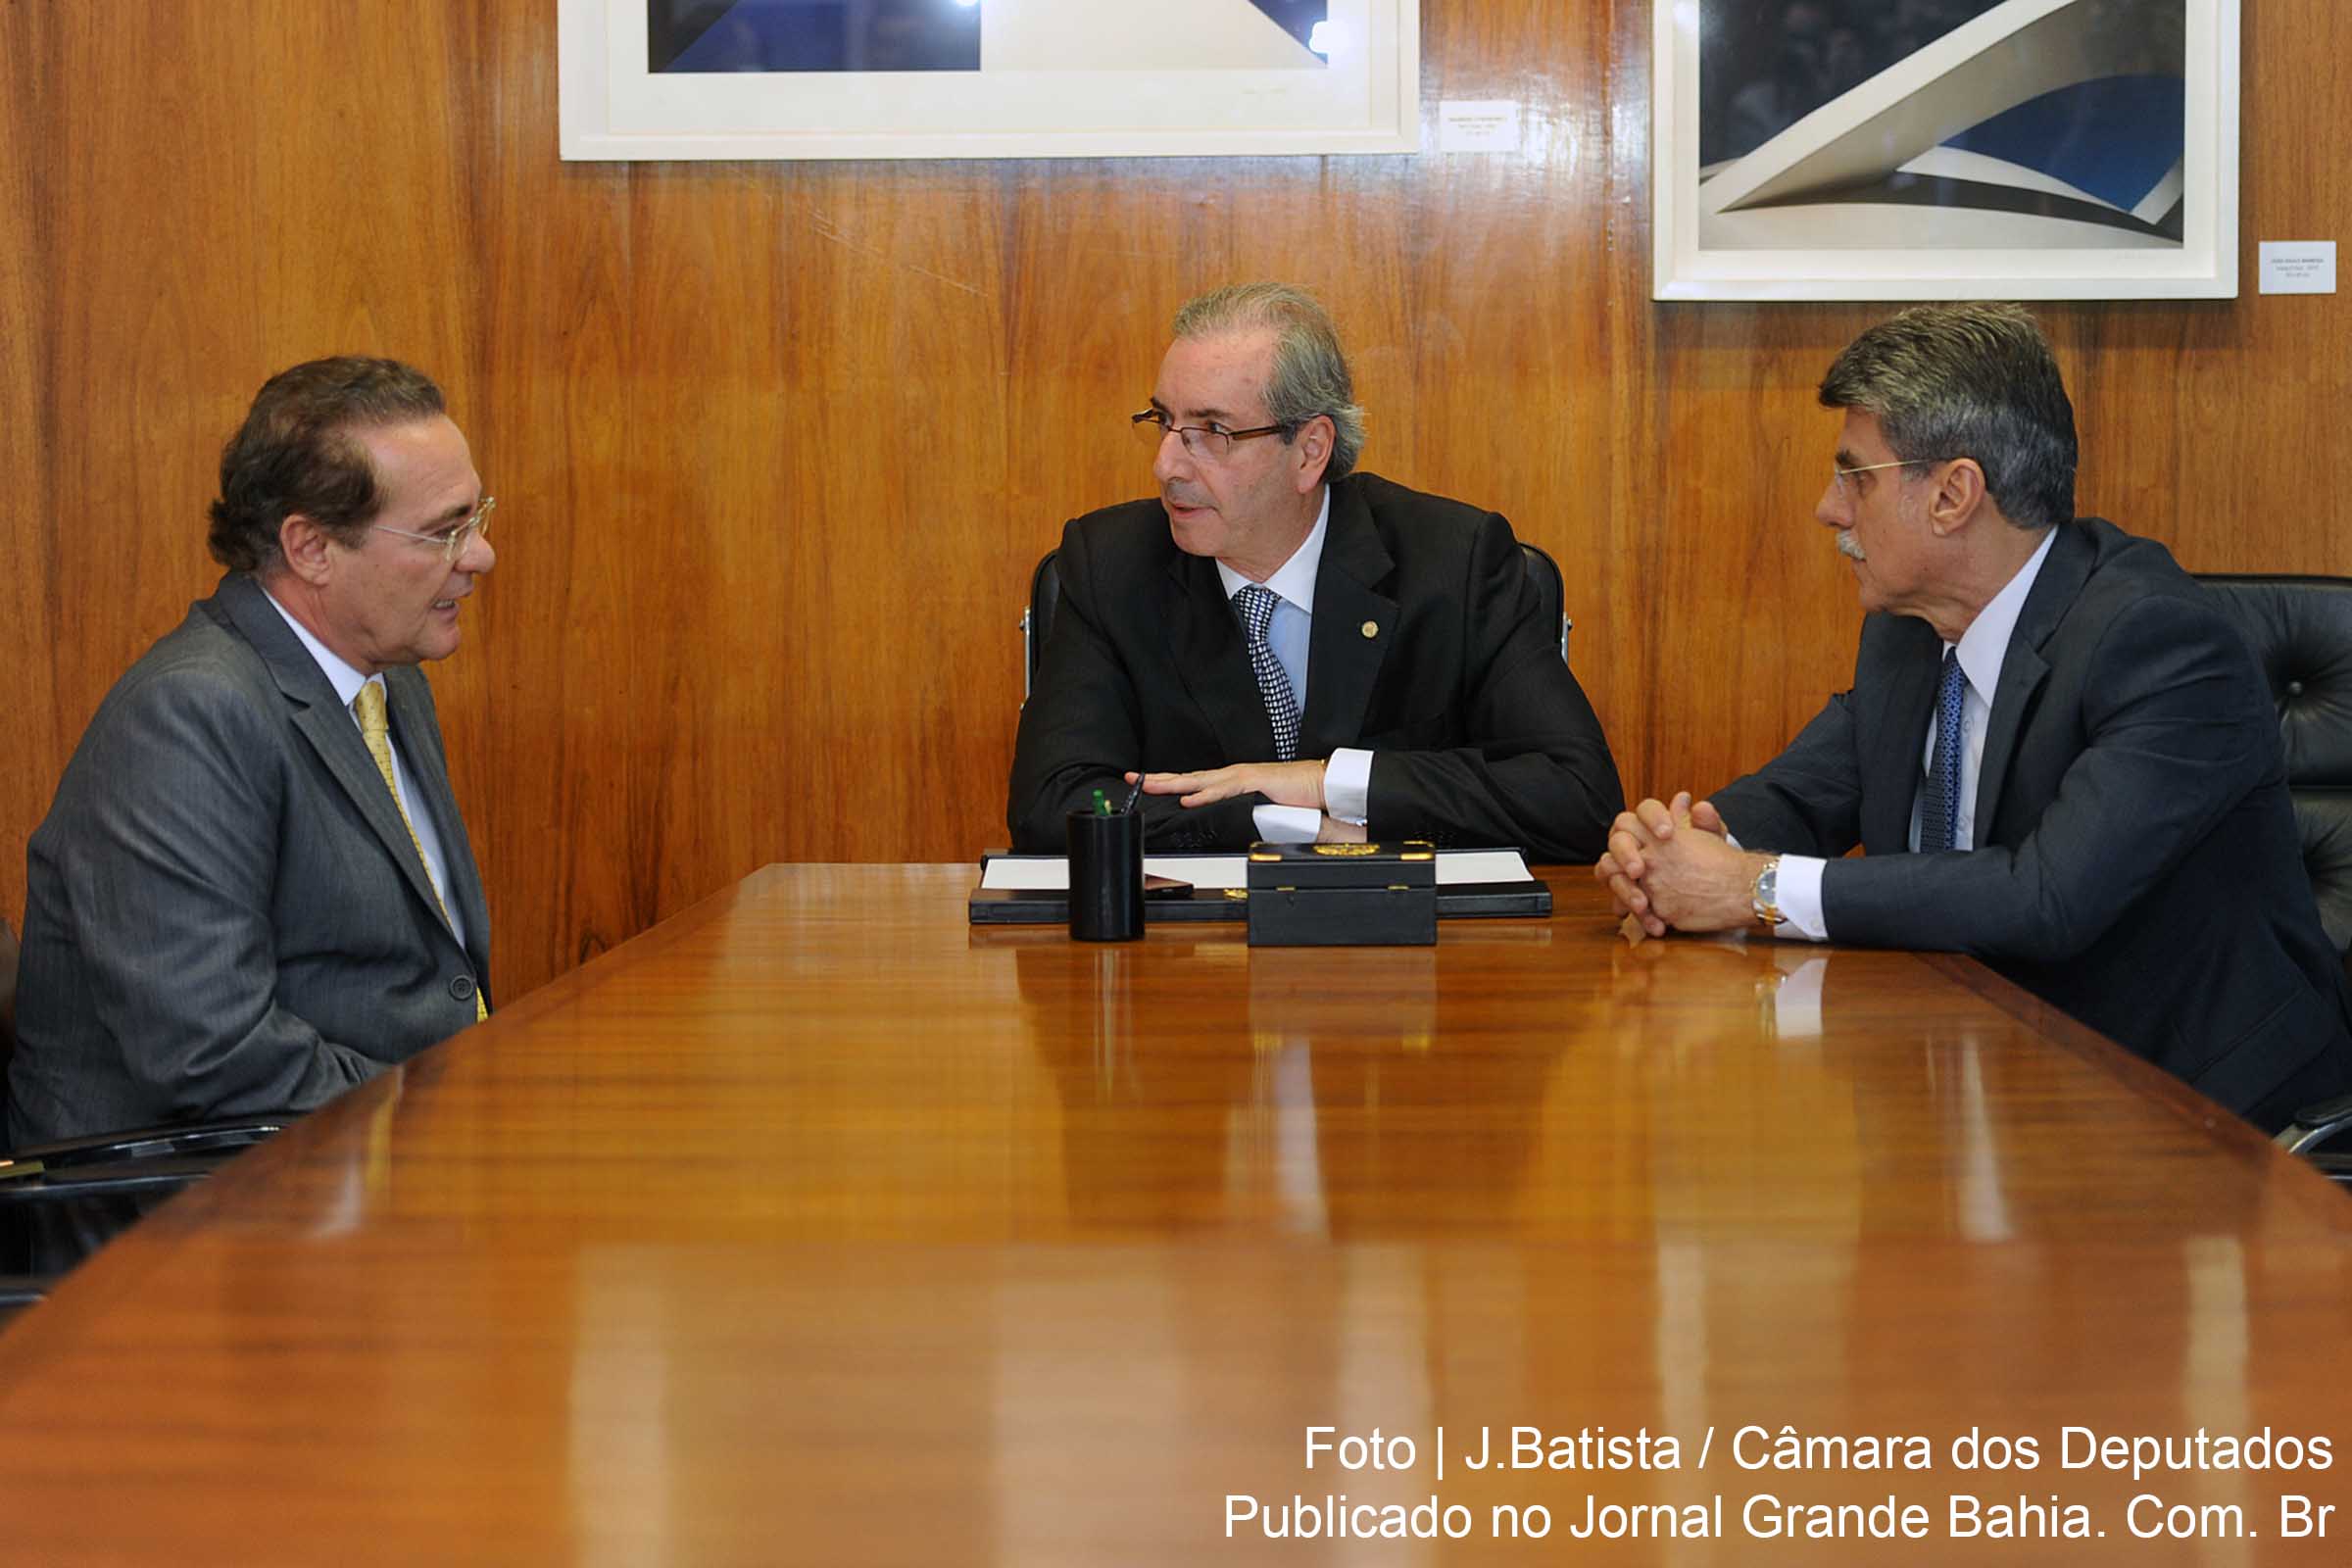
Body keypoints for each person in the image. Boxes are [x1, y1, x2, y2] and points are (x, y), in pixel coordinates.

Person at [1597, 303, 2352, 1129]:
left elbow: (2046, 897)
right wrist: (1682, 852)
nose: (1829, 509)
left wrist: (1755, 889)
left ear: (1954, 494)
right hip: (1976, 1081)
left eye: (1856, 477)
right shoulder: (1909, 627)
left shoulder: (2158, 642)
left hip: (2188, 1111)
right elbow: (1812, 787)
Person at [8, 357, 498, 1147]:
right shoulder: (188, 717)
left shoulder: (386, 674)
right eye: (444, 532)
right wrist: (457, 1121)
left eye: (475, 519)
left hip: (360, 1161)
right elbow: (218, 1059)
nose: (480, 557)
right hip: (195, 1213)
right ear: (310, 549)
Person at [1007, 283, 1622, 859]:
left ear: (1309, 451)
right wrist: (1293, 822)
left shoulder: (1453, 560)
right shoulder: (1111, 564)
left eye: (1212, 431)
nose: (1167, 464)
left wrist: (1326, 781)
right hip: (1193, 958)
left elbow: (1578, 798)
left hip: (1414, 956)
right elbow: (1050, 807)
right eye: (1164, 422)